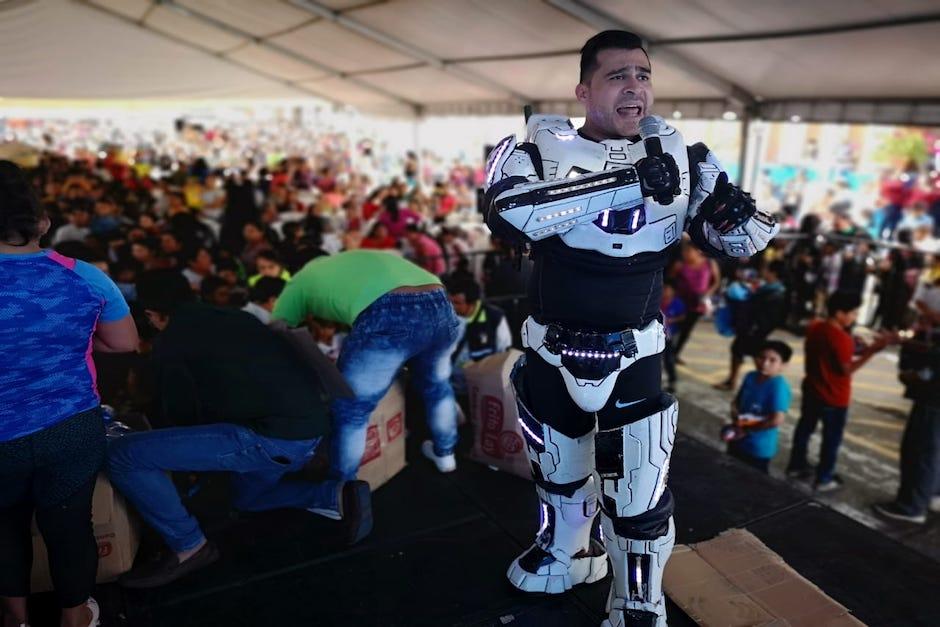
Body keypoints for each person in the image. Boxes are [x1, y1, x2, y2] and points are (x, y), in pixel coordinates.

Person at [482, 31, 778, 626]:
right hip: (549, 347)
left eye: (642, 75)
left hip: (633, 352)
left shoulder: (687, 159)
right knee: (556, 471)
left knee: (637, 495)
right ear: (584, 89)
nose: (634, 87)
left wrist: (736, 213)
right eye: (618, 76)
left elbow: (748, 241)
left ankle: (637, 599)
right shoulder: (532, 149)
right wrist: (632, 182)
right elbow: (512, 214)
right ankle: (564, 551)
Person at [107, 270, 371, 590]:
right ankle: (334, 494)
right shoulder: (237, 316)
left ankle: (189, 546)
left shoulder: (172, 342)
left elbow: (179, 417)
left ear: (150, 315)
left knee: (125, 455)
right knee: (248, 499)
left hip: (270, 438)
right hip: (311, 430)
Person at [0, 160, 138, 627]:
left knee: (3, 527)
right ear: (42, 222)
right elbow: (124, 342)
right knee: (68, 526)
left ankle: (14, 618)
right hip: (71, 427)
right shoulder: (86, 276)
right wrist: (66, 340)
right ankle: (76, 618)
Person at [272, 250, 462, 479]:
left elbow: (276, 331)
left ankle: (342, 493)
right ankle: (445, 455)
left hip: (388, 312)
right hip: (440, 302)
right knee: (437, 387)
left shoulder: (300, 280)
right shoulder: (351, 259)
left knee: (352, 411)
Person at [786, 291, 896, 491]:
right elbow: (846, 369)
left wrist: (859, 346)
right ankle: (824, 478)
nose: (854, 317)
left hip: (812, 390)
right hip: (834, 397)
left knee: (804, 429)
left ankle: (796, 465)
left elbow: (833, 353)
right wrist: (872, 351)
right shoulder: (841, 338)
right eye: (852, 313)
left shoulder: (816, 327)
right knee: (831, 440)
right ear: (839, 313)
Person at [872, 332, 940, 524]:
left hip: (933, 404)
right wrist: (906, 342)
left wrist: (908, 376)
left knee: (921, 453)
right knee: (933, 454)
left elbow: (923, 375)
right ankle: (932, 495)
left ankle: (911, 507)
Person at [714, 260, 787, 391]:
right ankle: (735, 381)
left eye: (767, 270)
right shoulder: (769, 288)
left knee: (757, 357)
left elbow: (769, 316)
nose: (764, 272)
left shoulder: (776, 293)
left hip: (755, 330)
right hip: (751, 328)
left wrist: (755, 327)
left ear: (773, 273)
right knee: (742, 352)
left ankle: (757, 384)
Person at [723, 340, 793, 473]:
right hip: (737, 439)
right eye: (761, 357)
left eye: (772, 360)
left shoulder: (778, 386)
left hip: (758, 447)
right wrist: (736, 421)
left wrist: (747, 430)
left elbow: (776, 419)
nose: (765, 363)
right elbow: (737, 401)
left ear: (783, 365)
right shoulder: (750, 376)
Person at [660, 280, 686, 393]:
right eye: (664, 288)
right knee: (655, 360)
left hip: (669, 336)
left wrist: (671, 320)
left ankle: (672, 381)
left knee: (668, 359)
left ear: (673, 291)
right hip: (656, 336)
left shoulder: (677, 303)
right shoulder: (656, 300)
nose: (665, 291)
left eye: (668, 289)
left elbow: (683, 317)